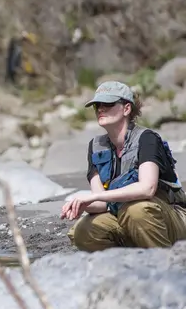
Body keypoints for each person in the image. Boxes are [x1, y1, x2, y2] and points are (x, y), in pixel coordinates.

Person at [61, 80, 186, 251]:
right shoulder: (95, 147)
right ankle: (125, 261)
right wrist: (82, 204)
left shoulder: (147, 139)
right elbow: (102, 203)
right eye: (97, 105)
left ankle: (164, 261)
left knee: (136, 210)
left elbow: (147, 188)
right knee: (84, 229)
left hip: (169, 217)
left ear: (126, 108)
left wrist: (94, 197)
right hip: (126, 216)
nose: (100, 109)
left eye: (108, 104)